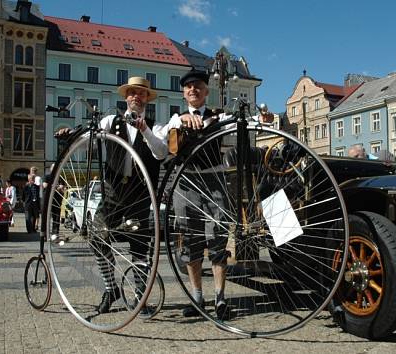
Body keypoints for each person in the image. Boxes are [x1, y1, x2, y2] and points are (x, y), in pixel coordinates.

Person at [57, 76, 168, 314]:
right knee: (97, 235)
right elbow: (89, 140)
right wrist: (72, 136)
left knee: (140, 247)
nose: (136, 97)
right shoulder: (111, 121)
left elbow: (161, 153)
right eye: (132, 93)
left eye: (141, 93)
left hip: (140, 194)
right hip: (113, 190)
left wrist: (145, 130)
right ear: (126, 97)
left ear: (147, 98)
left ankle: (141, 297)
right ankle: (111, 288)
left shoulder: (156, 126)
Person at [168, 69, 272, 320]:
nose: (193, 90)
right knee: (190, 240)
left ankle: (220, 297)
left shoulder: (218, 116)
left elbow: (244, 123)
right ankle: (197, 297)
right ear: (184, 93)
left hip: (214, 180)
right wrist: (181, 121)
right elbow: (165, 139)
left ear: (206, 91)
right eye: (189, 87)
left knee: (216, 239)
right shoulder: (176, 118)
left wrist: (264, 119)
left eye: (198, 86)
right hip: (187, 183)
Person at [30, 166, 42, 231]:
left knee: (36, 212)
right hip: (35, 197)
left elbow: (38, 187)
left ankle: (36, 225)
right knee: (34, 213)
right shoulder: (32, 177)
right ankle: (34, 224)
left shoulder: (38, 178)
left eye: (31, 171)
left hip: (36, 197)